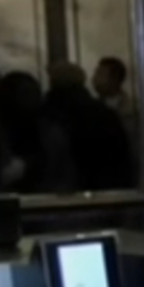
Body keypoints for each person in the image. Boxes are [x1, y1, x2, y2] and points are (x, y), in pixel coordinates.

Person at [44, 61, 135, 190]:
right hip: (106, 185)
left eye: (100, 73)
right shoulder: (103, 112)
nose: (94, 78)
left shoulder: (50, 112)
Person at [91, 56, 138, 141]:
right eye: (95, 74)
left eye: (100, 74)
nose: (94, 79)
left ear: (115, 78)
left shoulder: (134, 108)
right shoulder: (93, 107)